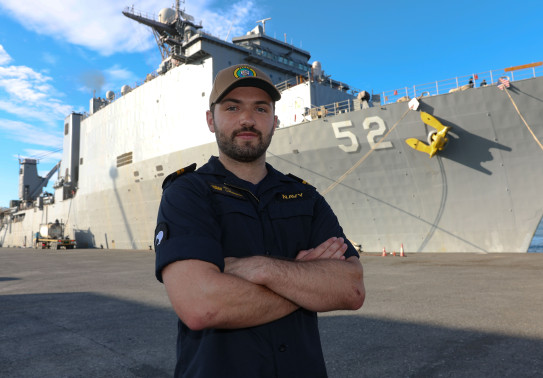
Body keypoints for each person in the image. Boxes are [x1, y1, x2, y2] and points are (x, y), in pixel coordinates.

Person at [154, 64, 365, 377]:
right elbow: (202, 306)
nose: (247, 119)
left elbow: (352, 289)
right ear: (211, 120)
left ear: (275, 121)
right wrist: (307, 280)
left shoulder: (306, 198)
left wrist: (259, 269)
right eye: (232, 107)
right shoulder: (186, 193)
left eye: (260, 108)